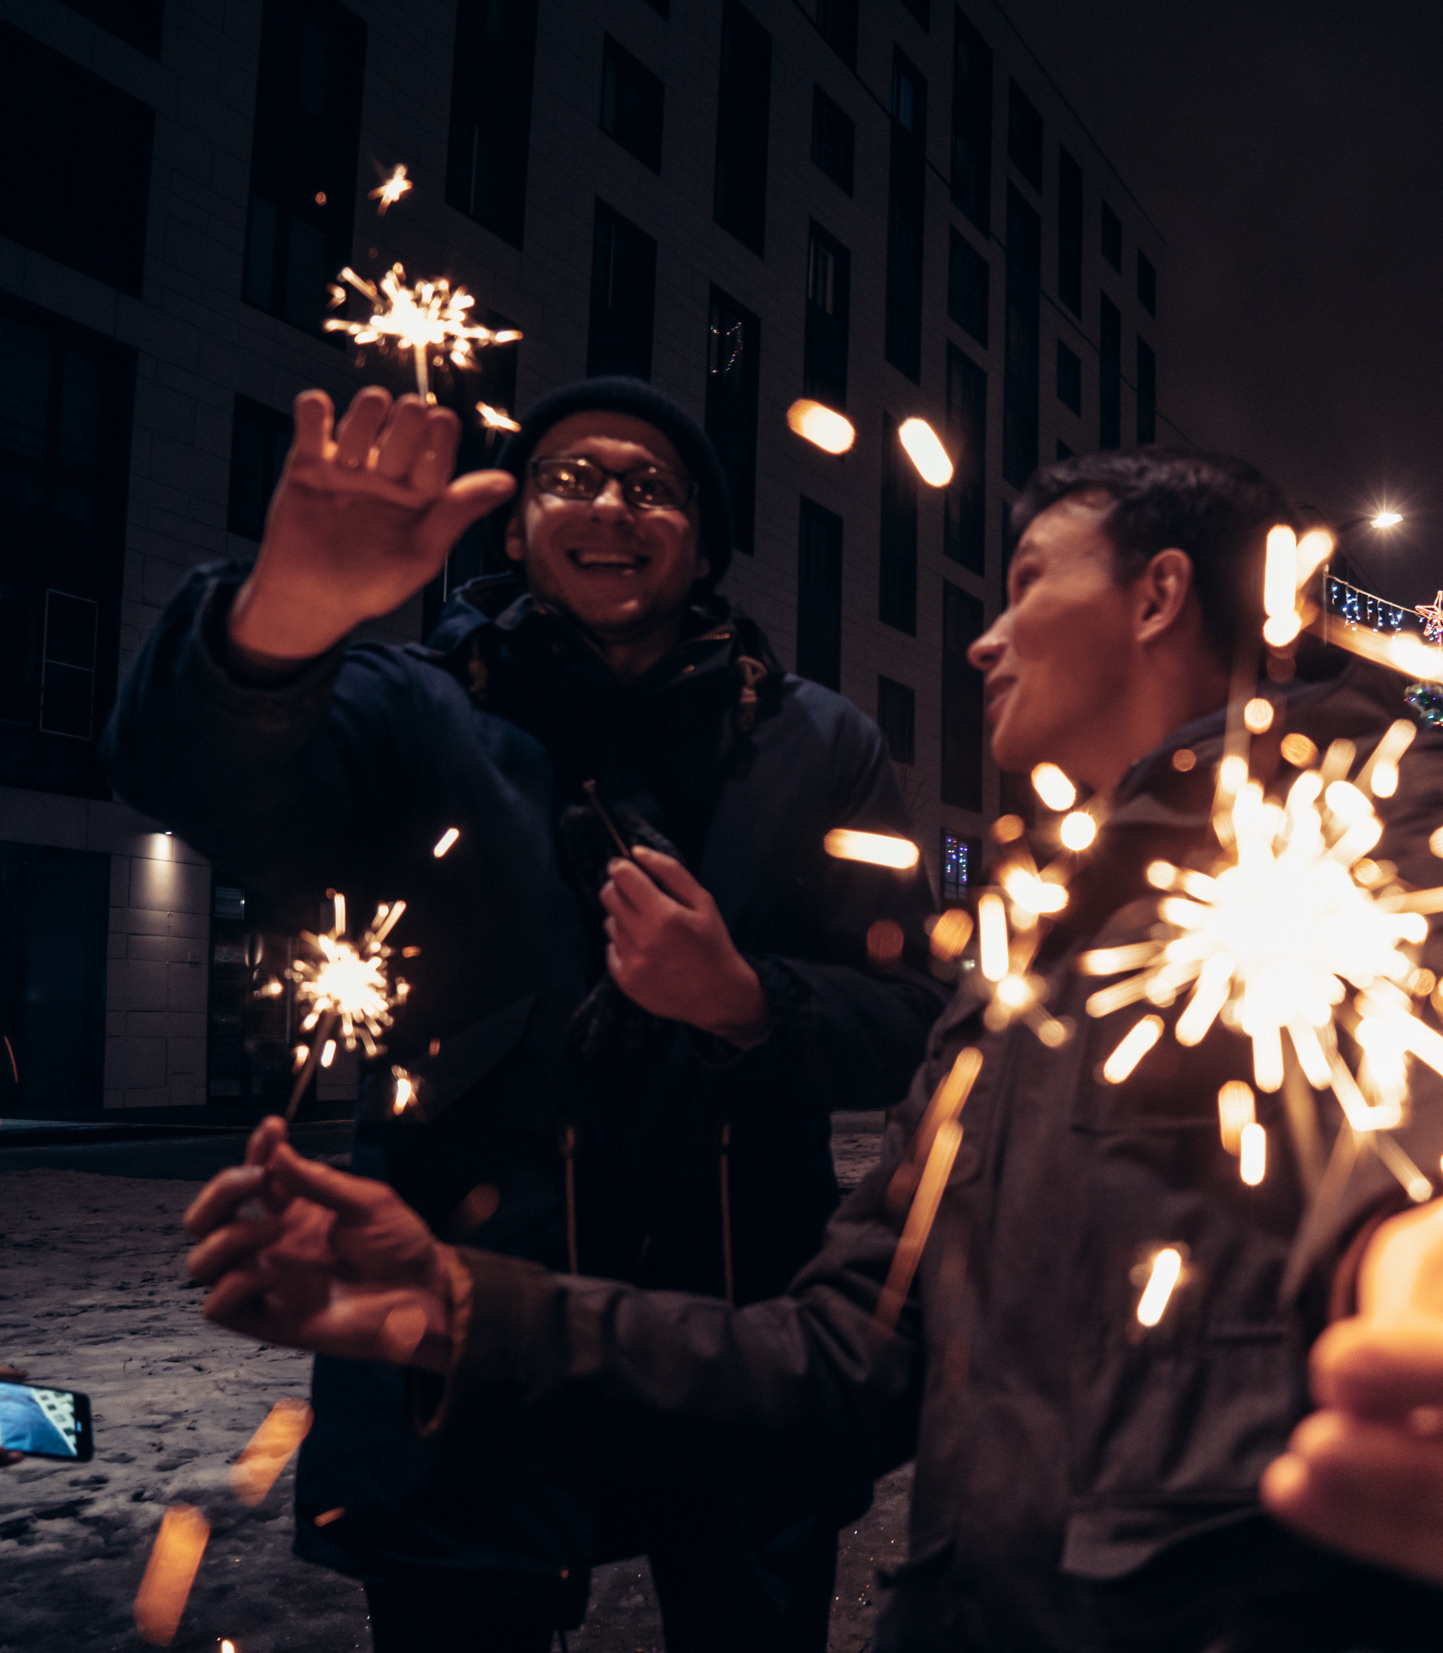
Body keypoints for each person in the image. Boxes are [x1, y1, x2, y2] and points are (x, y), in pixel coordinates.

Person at [181, 440, 1443, 1652]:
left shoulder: (1380, 813)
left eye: (1022, 582)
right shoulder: (1025, 970)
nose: (983, 641)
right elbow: (845, 1362)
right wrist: (461, 1308)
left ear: (1157, 595)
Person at [105, 383, 947, 1650]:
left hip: (735, 1352)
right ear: (514, 529)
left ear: (705, 543)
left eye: (651, 485)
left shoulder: (821, 744)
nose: (610, 503)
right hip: (462, 1340)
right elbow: (196, 777)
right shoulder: (410, 704)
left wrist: (744, 1001)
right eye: (569, 477)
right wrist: (280, 619)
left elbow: (909, 1014)